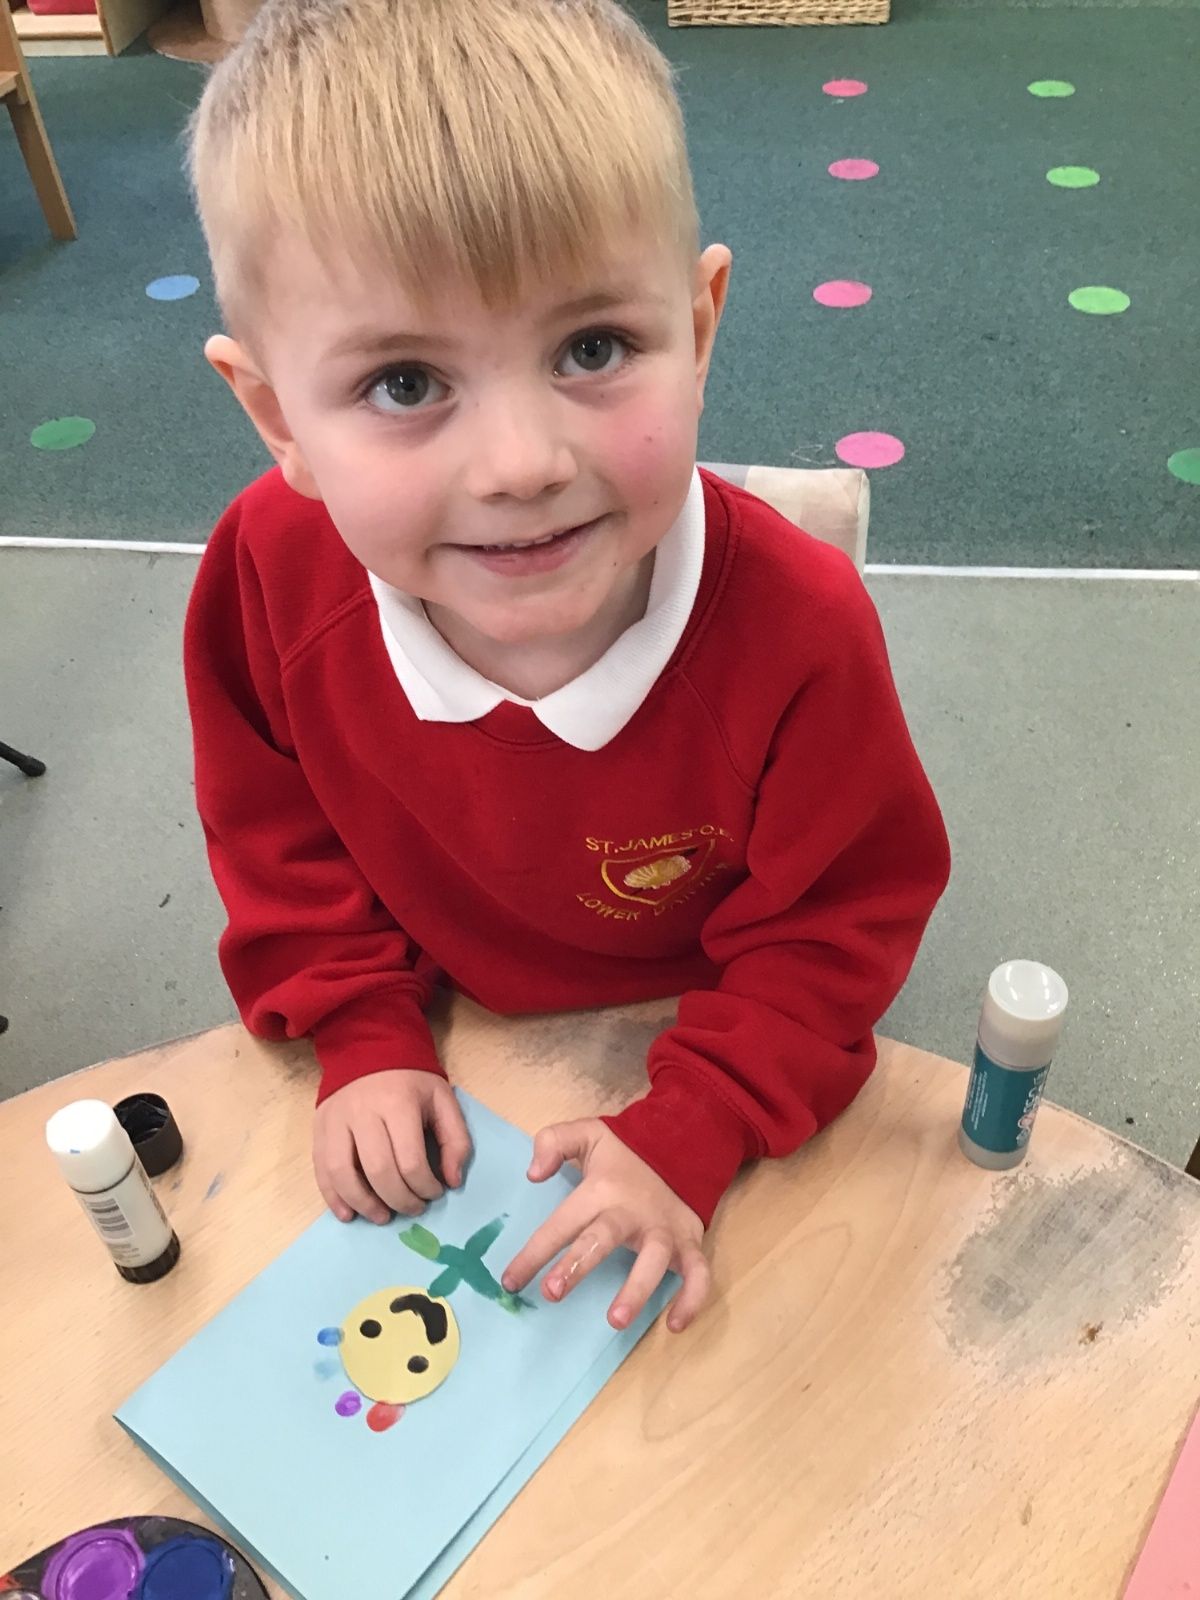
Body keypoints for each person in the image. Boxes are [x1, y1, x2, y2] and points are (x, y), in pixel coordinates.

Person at [183, 0, 950, 1337]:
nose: (522, 465)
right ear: (275, 416)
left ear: (699, 328)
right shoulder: (268, 568)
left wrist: (703, 1115)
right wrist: (358, 1022)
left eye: (593, 349)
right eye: (405, 382)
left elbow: (836, 924)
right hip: (450, 1041)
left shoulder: (803, 627)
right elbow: (276, 830)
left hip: (710, 1034)